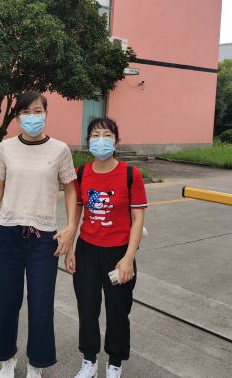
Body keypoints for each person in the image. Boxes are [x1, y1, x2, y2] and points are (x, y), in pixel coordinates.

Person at [0, 91, 78, 378]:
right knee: (6, 301)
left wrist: (71, 228)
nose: (32, 117)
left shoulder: (60, 150)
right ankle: (7, 358)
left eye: (38, 111)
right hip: (8, 235)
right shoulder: (5, 148)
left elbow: (71, 189)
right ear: (18, 116)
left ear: (46, 114)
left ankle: (37, 364)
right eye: (26, 112)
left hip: (44, 239)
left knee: (41, 304)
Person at [65, 117, 147, 378]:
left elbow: (138, 219)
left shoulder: (131, 175)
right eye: (95, 135)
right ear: (88, 141)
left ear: (116, 142)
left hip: (119, 253)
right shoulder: (81, 173)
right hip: (87, 250)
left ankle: (115, 363)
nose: (101, 140)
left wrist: (129, 257)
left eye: (107, 135)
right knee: (87, 308)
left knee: (118, 311)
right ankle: (89, 361)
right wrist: (70, 249)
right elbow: (75, 215)